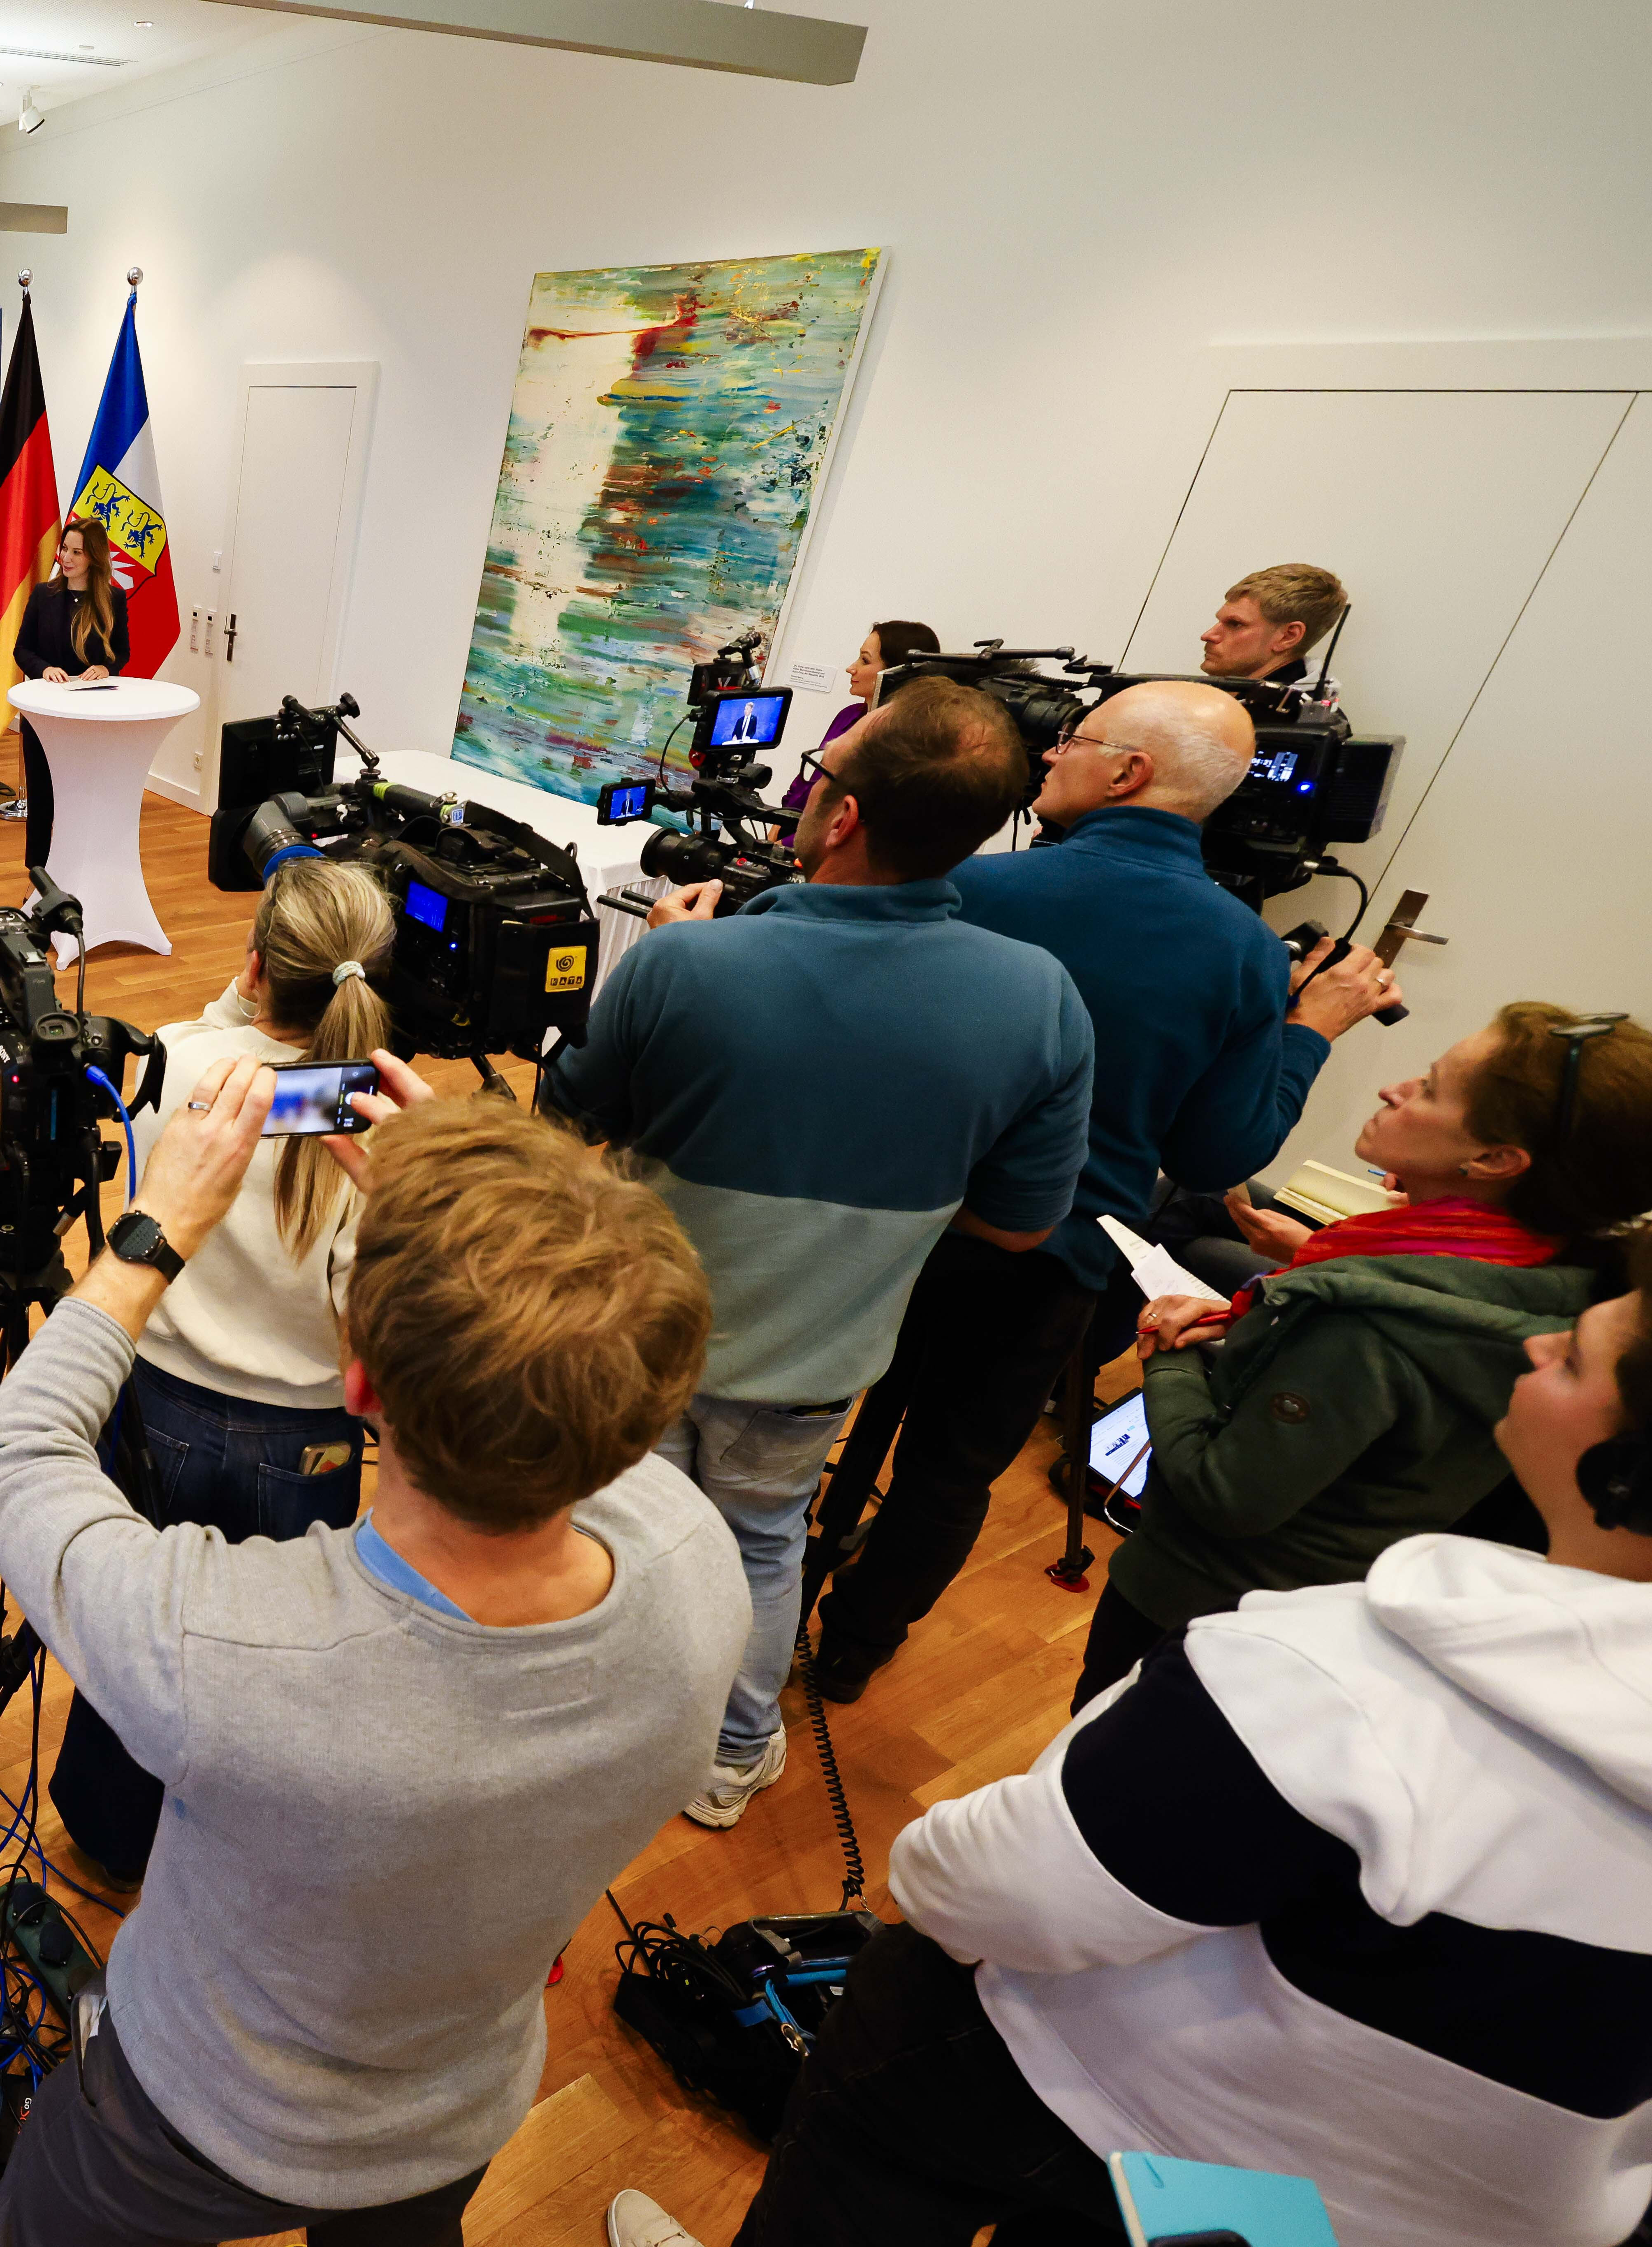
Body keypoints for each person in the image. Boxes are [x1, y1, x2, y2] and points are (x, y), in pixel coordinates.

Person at [607, 1249, 1652, 2247]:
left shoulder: (1337, 1682)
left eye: (1571, 1358)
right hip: (1425, 2213)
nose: (1528, 1348)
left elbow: (978, 1887)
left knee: (896, 1999)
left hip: (1166, 2134)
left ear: (1628, 1470)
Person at [0, 1060, 748, 2247]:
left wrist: (154, 1230)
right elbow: (586, 1374)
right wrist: (489, 1211)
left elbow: (16, 1460)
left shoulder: (222, 1647)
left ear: (362, 1385)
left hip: (195, 2112)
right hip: (454, 2111)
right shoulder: (698, 1565)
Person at [544, 679, 1095, 1830]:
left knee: (605, 1524)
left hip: (641, 1335)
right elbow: (1017, 1223)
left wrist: (663, 962)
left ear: (841, 819)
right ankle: (734, 1756)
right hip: (819, 1361)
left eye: (825, 777)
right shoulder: (1042, 999)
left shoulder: (683, 963)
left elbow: (572, 1121)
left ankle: (582, 1733)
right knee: (758, 1544)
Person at [808, 680, 1401, 1699]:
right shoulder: (1243, 950)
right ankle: (851, 1652)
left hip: (888, 1221)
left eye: (1071, 743)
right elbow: (1218, 1151)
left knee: (798, 1416)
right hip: (1051, 1260)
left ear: (1127, 772)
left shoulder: (976, 888)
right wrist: (1312, 1028)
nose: (1048, 757)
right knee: (947, 1477)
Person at [1075, 1003, 1652, 1704]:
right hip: (1319, 1613)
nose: (1395, 1088)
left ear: (1496, 1160)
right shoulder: (1575, 1280)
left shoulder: (1367, 1327)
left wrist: (1165, 1349)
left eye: (1432, 1088)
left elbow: (1223, 1490)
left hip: (1194, 1606)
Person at [46, 854, 389, 1886]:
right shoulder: (370, 1110)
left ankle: (110, 1836)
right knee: (278, 1661)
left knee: (137, 1632)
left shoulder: (180, 1063)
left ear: (256, 966)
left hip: (160, 1403)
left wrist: (232, 1000)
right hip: (308, 1437)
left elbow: (190, 1055)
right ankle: (240, 1848)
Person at [2, 514, 131, 865]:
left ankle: (81, 869)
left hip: (90, 715)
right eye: (65, 549)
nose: (67, 558)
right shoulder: (44, 595)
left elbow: (122, 652)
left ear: (94, 557)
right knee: (42, 799)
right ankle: (37, 875)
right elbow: (22, 649)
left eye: (77, 551)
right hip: (44, 714)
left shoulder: (113, 599)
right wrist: (44, 669)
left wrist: (107, 668)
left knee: (83, 799)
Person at [781, 621, 938, 810]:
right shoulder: (849, 716)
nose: (851, 668)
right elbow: (809, 779)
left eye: (865, 661)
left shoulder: (902, 740)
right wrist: (779, 823)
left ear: (895, 672)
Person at [1197, 561, 1346, 683]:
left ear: (1288, 637)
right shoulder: (1218, 702)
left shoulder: (1290, 718)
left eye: (1235, 625)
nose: (1208, 636)